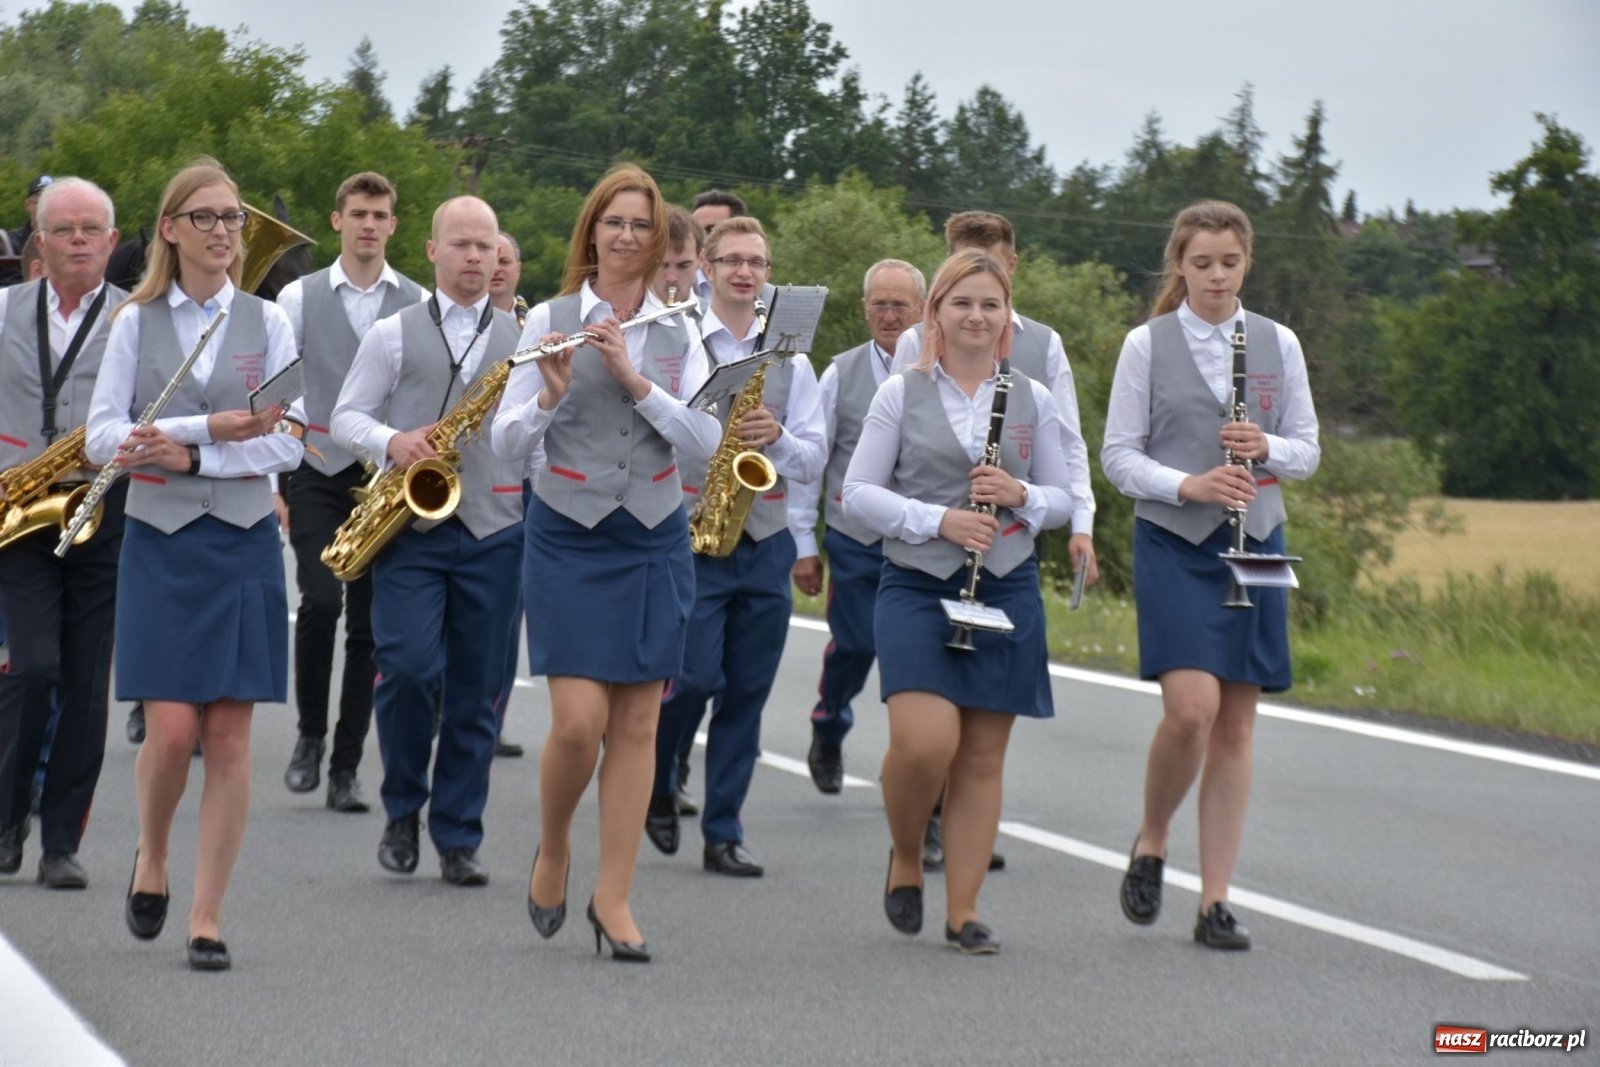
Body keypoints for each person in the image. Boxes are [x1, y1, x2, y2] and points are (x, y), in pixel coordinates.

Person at [491, 163, 719, 960]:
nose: (625, 236)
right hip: (568, 531)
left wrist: (634, 379)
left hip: (654, 534)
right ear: (590, 232)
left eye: (640, 225)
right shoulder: (549, 320)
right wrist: (549, 396)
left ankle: (613, 896)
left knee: (639, 723)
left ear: (658, 240)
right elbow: (504, 444)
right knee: (579, 722)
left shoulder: (680, 328)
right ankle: (554, 847)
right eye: (612, 222)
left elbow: (707, 442)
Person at [85, 160, 303, 971]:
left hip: (243, 539)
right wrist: (206, 427)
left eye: (232, 218)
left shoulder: (270, 322)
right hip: (161, 540)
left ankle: (207, 915)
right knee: (173, 733)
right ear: (170, 228)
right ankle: (152, 851)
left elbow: (292, 439)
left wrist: (195, 457)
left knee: (229, 738)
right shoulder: (134, 322)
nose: (223, 231)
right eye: (205, 217)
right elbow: (103, 436)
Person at [842, 248, 1076, 954]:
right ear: (934, 313)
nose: (977, 316)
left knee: (980, 756)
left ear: (1007, 318)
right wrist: (936, 520)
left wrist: (1021, 494)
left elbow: (1063, 498)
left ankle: (964, 911)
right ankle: (907, 851)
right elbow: (857, 493)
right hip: (918, 581)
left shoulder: (1033, 398)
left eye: (990, 305)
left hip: (1004, 583)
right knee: (924, 743)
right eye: (962, 303)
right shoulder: (900, 392)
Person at [1103, 200, 1321, 951]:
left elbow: (1307, 450)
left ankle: (1215, 901)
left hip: (1257, 538)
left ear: (1246, 261)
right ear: (1180, 265)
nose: (1217, 276)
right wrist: (1188, 484)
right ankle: (1153, 836)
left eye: (1230, 262)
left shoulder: (1279, 341)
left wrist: (1267, 446)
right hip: (1174, 539)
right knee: (1191, 709)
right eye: (1202, 263)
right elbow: (1119, 456)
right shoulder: (1146, 343)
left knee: (1236, 723)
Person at [893, 210, 1098, 871]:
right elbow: (899, 439)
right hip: (927, 548)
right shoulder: (914, 344)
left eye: (990, 265)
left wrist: (1080, 524)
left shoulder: (1045, 347)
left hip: (1004, 544)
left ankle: (964, 828)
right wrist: (923, 521)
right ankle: (924, 822)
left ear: (1011, 269)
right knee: (929, 713)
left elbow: (1068, 446)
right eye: (957, 264)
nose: (974, 294)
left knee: (982, 717)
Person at [330, 196, 523, 888]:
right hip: (410, 529)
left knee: (477, 691)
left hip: (496, 527)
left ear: (499, 256)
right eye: (461, 244)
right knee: (409, 669)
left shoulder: (526, 337)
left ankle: (458, 836)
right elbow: (345, 417)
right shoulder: (392, 333)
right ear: (433, 251)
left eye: (485, 246)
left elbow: (536, 436)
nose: (475, 257)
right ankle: (402, 811)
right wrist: (393, 440)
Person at [647, 216, 826, 878]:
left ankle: (724, 830)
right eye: (732, 261)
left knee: (747, 691)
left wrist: (778, 437)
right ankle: (658, 784)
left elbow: (814, 457)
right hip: (691, 531)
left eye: (757, 262)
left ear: (768, 274)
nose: (745, 272)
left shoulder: (792, 357)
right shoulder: (676, 337)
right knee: (691, 679)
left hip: (765, 537)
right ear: (708, 268)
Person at [273, 171, 425, 812]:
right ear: (337, 220)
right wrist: (280, 476)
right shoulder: (299, 297)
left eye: (379, 214)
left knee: (369, 624)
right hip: (317, 468)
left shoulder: (417, 301)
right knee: (319, 600)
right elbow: (281, 390)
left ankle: (346, 766)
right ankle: (309, 736)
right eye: (358, 213)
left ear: (393, 225)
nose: (368, 224)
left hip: (384, 477)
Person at [0, 177, 126, 889]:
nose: (78, 240)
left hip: (104, 511)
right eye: (64, 229)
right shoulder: (2, 310)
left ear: (112, 241)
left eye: (91, 229)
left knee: (85, 682)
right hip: (22, 514)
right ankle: (5, 817)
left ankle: (60, 843)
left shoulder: (138, 318)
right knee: (31, 667)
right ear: (38, 243)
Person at [789, 259, 925, 794]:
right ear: (864, 310)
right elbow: (812, 463)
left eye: (900, 306)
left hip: (926, 540)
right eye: (879, 305)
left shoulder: (946, 371)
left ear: (922, 310)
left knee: (918, 657)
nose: (890, 316)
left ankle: (916, 764)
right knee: (856, 644)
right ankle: (829, 726)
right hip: (856, 536)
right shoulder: (840, 373)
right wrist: (804, 543)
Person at [650, 204, 705, 816]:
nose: (671, 279)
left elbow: (701, 435)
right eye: (661, 266)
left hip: (687, 515)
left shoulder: (696, 331)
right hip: (621, 513)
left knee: (688, 673)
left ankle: (664, 778)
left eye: (682, 267)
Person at [486, 228, 530, 759]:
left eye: (506, 259)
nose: (495, 267)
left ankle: (490, 716)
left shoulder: (533, 328)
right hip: (454, 474)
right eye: (487, 256)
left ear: (518, 270)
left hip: (518, 483)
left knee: (505, 609)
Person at [1, 176, 53, 287]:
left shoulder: (72, 241)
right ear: (27, 205)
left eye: (53, 202)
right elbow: (8, 284)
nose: (46, 209)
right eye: (40, 203)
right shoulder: (9, 244)